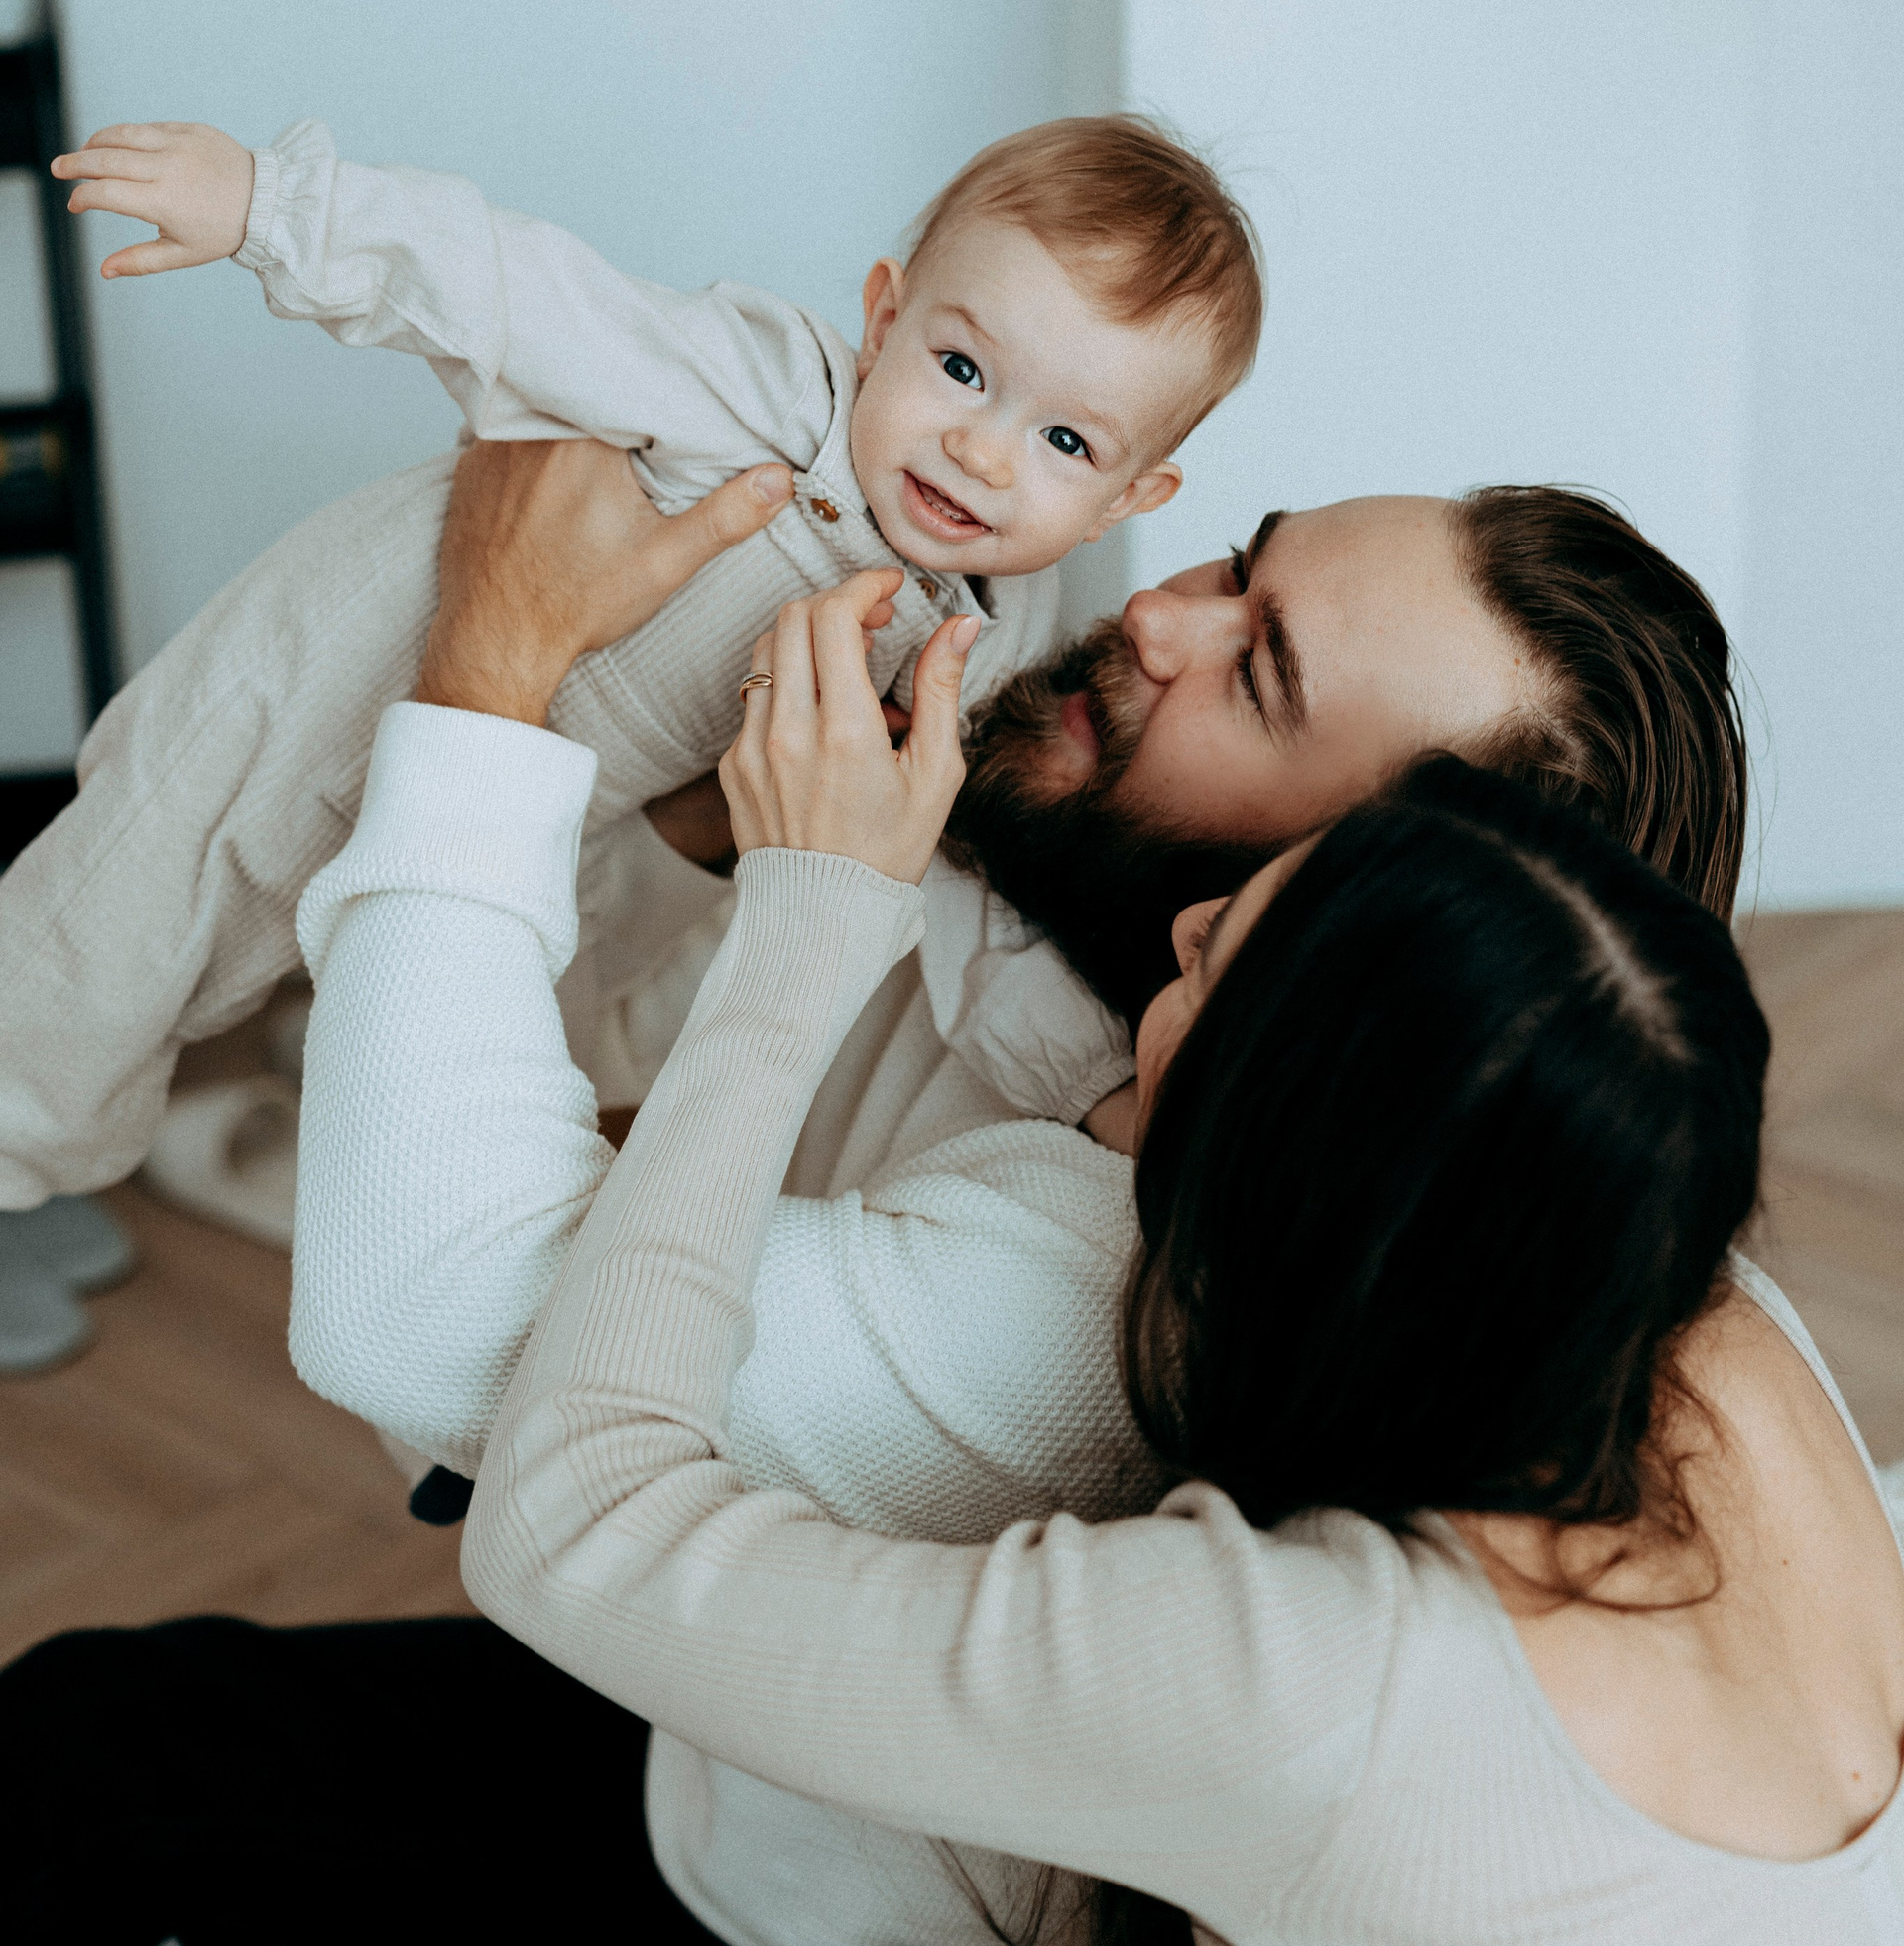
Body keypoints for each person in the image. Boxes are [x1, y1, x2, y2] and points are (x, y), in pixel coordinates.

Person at [0, 444, 1794, 1946]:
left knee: (84, 1782)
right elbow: (618, 1077)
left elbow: (430, 1320)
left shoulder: (1081, 1287)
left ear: (1393, 928)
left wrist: (495, 669)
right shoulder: (1052, 877)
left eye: (1259, 676)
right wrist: (693, 835)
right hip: (694, 1741)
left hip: (774, 1897)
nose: (1155, 614)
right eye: (1240, 568)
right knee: (100, 1722)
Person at [0, 110, 1264, 1210]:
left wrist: (1093, 1085)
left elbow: (971, 892)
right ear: (882, 322)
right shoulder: (770, 391)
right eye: (961, 368)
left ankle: (63, 1153)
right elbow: (528, 298)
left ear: (1125, 500)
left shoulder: (993, 643)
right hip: (331, 676)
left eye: (1063, 441)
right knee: (104, 941)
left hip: (507, 797)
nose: (981, 452)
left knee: (234, 983)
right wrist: (275, 209)